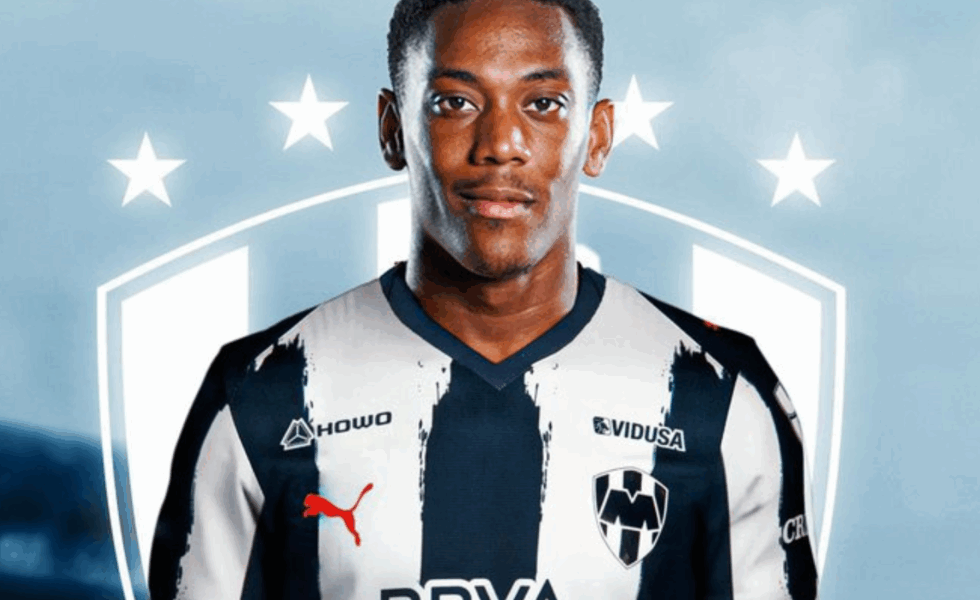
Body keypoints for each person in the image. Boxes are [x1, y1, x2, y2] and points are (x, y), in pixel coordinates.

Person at [149, 0, 818, 598]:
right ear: (391, 129)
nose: (500, 145)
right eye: (455, 103)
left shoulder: (718, 393)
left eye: (543, 104)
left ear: (598, 137)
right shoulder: (263, 392)